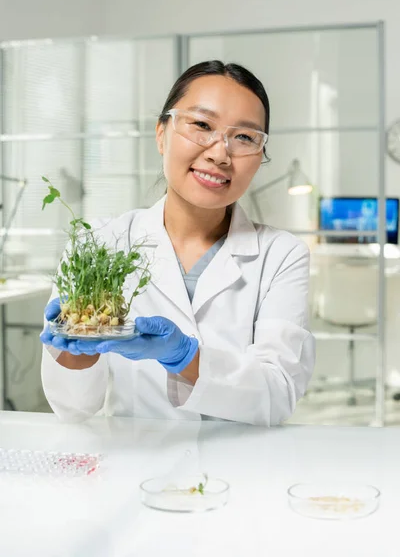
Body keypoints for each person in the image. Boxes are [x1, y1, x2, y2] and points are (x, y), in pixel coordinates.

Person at [40, 60, 315, 426]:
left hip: (241, 470)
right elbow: (73, 409)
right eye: (201, 125)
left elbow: (278, 395)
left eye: (245, 137)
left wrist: (184, 356)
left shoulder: (281, 255)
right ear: (161, 134)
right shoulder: (98, 244)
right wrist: (76, 344)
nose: (220, 154)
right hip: (132, 465)